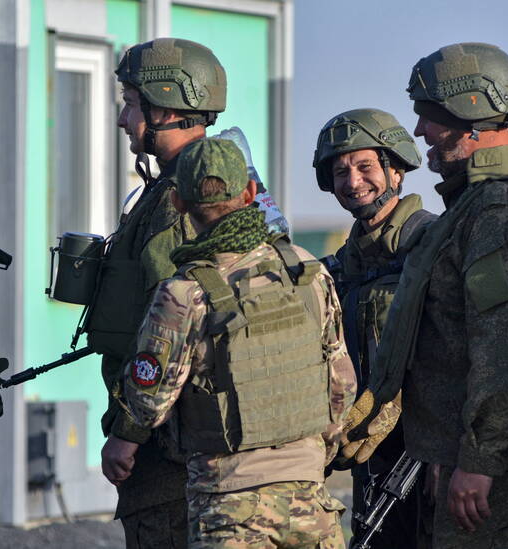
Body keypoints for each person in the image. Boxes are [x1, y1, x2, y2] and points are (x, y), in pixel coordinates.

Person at [345, 42, 508, 548]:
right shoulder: (505, 198)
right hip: (506, 457)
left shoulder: (496, 211)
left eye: (428, 116)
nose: (420, 133)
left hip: (505, 469)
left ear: (468, 113)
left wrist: (477, 462)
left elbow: (505, 346)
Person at [122, 138, 356, 548]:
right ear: (249, 193)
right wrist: (317, 452)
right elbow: (342, 384)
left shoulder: (184, 292)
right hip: (310, 501)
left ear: (177, 202)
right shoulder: (305, 270)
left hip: (230, 506)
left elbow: (148, 404)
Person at [83, 38, 224, 548]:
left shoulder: (175, 205)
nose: (123, 120)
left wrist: (130, 430)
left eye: (130, 103)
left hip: (167, 448)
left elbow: (169, 332)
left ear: (164, 106)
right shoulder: (182, 190)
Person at [314, 108, 435, 548]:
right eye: (340, 171)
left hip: (432, 454)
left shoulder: (433, 244)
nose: (353, 181)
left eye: (365, 167)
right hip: (369, 457)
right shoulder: (339, 268)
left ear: (396, 171)